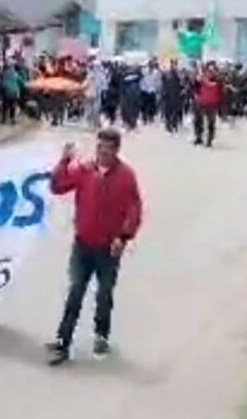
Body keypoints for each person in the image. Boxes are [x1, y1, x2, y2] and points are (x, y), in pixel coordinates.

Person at [46, 128, 143, 366]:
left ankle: (101, 335)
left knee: (104, 294)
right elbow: (57, 186)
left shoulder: (126, 176)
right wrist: (64, 161)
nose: (102, 153)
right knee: (75, 291)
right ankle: (63, 341)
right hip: (83, 244)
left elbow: (134, 209)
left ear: (116, 150)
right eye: (99, 148)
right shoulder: (85, 170)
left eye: (107, 149)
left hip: (108, 248)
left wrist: (124, 237)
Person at [193, 62, 223, 148]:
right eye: (209, 70)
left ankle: (209, 140)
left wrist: (220, 104)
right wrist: (196, 96)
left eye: (212, 69)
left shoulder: (218, 79)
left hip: (212, 104)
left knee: (211, 122)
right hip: (201, 103)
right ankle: (198, 137)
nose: (210, 72)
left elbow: (221, 92)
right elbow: (195, 87)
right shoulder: (201, 78)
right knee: (198, 120)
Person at [161, 59, 184, 133]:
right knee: (168, 112)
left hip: (176, 95)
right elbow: (163, 84)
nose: (174, 66)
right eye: (172, 64)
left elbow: (182, 83)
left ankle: (174, 125)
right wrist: (163, 93)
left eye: (175, 64)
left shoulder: (179, 74)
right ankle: (168, 125)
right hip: (167, 95)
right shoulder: (166, 74)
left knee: (176, 111)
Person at [0, 60, 23, 125]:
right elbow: (21, 82)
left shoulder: (3, 74)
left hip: (6, 92)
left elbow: (0, 84)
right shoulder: (15, 74)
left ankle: (4, 119)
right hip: (14, 92)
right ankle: (12, 119)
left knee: (5, 106)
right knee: (13, 106)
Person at [139, 60, 161, 124]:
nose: (151, 66)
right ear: (148, 65)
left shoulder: (156, 72)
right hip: (144, 90)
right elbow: (141, 80)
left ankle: (151, 117)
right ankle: (144, 118)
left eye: (152, 65)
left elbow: (158, 82)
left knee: (152, 105)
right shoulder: (144, 71)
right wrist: (142, 88)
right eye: (150, 65)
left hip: (152, 91)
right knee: (143, 105)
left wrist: (156, 89)